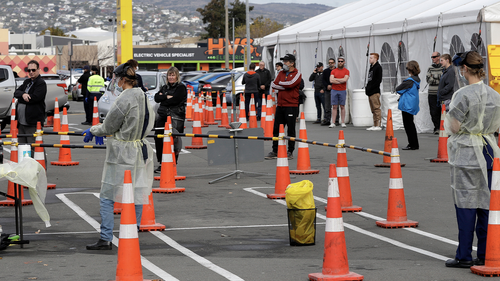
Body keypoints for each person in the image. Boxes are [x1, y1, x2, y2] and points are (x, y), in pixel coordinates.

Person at [84, 62, 155, 250]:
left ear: (123, 79)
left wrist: (93, 130)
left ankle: (105, 237)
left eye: (116, 78)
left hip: (122, 151)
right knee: (136, 194)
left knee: (108, 194)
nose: (114, 82)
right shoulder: (144, 96)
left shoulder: (124, 99)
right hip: (140, 149)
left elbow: (109, 125)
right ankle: (132, 231)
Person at [444, 51, 500, 268]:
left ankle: (464, 254)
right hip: (489, 150)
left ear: (464, 69)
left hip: (467, 150)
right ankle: (487, 252)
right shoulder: (495, 95)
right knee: (487, 202)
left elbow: (454, 125)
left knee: (466, 203)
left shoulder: (462, 94)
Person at [265, 54, 301, 160]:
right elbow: (273, 84)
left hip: (291, 105)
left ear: (292, 63)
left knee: (291, 129)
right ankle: (275, 150)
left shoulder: (297, 73)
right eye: (284, 61)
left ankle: (290, 151)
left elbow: (291, 84)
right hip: (280, 105)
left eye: (286, 61)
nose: (284, 63)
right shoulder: (281, 73)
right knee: (276, 128)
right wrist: (284, 86)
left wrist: (282, 85)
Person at [153, 67, 187, 173]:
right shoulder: (164, 87)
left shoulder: (181, 87)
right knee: (158, 138)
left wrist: (164, 98)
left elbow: (176, 100)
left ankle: (172, 163)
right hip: (162, 116)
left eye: (173, 75)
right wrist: (166, 97)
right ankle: (162, 162)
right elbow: (156, 98)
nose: (171, 77)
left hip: (175, 117)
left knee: (174, 140)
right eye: (169, 75)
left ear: (177, 76)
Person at [14, 59, 47, 154]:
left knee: (34, 147)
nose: (31, 72)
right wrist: (24, 95)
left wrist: (23, 96)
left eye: (33, 70)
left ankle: (39, 167)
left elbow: (35, 98)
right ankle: (26, 168)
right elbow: (16, 92)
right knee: (22, 147)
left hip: (33, 122)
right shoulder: (27, 82)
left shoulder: (41, 83)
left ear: (38, 70)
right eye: (29, 70)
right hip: (21, 122)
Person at [396, 60, 421, 150]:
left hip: (407, 104)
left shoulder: (409, 81)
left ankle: (412, 144)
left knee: (408, 125)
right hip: (412, 103)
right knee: (411, 124)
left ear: (410, 69)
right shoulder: (416, 79)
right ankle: (414, 143)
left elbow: (398, 89)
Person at [426, 52, 443, 134]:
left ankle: (441, 127)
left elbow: (443, 80)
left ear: (439, 57)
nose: (433, 58)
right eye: (432, 57)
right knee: (433, 111)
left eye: (434, 57)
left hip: (440, 93)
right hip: (432, 93)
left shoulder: (443, 67)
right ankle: (436, 127)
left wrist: (434, 78)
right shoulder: (430, 68)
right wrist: (439, 78)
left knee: (441, 110)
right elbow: (428, 80)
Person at [329, 56, 349, 128]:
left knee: (342, 106)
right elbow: (331, 80)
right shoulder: (333, 71)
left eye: (341, 61)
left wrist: (336, 79)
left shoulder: (346, 71)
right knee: (334, 106)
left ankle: (342, 122)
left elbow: (345, 80)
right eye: (339, 61)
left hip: (342, 90)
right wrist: (340, 80)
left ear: (344, 62)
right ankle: (333, 122)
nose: (340, 62)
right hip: (334, 90)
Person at [365, 53, 383, 131]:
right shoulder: (371, 68)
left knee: (376, 108)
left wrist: (372, 88)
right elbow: (370, 80)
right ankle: (375, 124)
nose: (370, 59)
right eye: (370, 58)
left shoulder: (378, 67)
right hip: (370, 91)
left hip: (374, 91)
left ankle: (378, 124)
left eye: (371, 58)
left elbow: (378, 80)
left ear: (376, 59)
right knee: (373, 109)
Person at [321, 58, 335, 126]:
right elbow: (323, 80)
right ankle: (327, 119)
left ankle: (336, 120)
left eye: (332, 62)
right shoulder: (326, 71)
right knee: (327, 105)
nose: (330, 64)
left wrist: (332, 85)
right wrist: (327, 86)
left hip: (335, 89)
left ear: (334, 63)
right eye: (329, 62)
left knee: (335, 105)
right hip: (327, 90)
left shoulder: (336, 71)